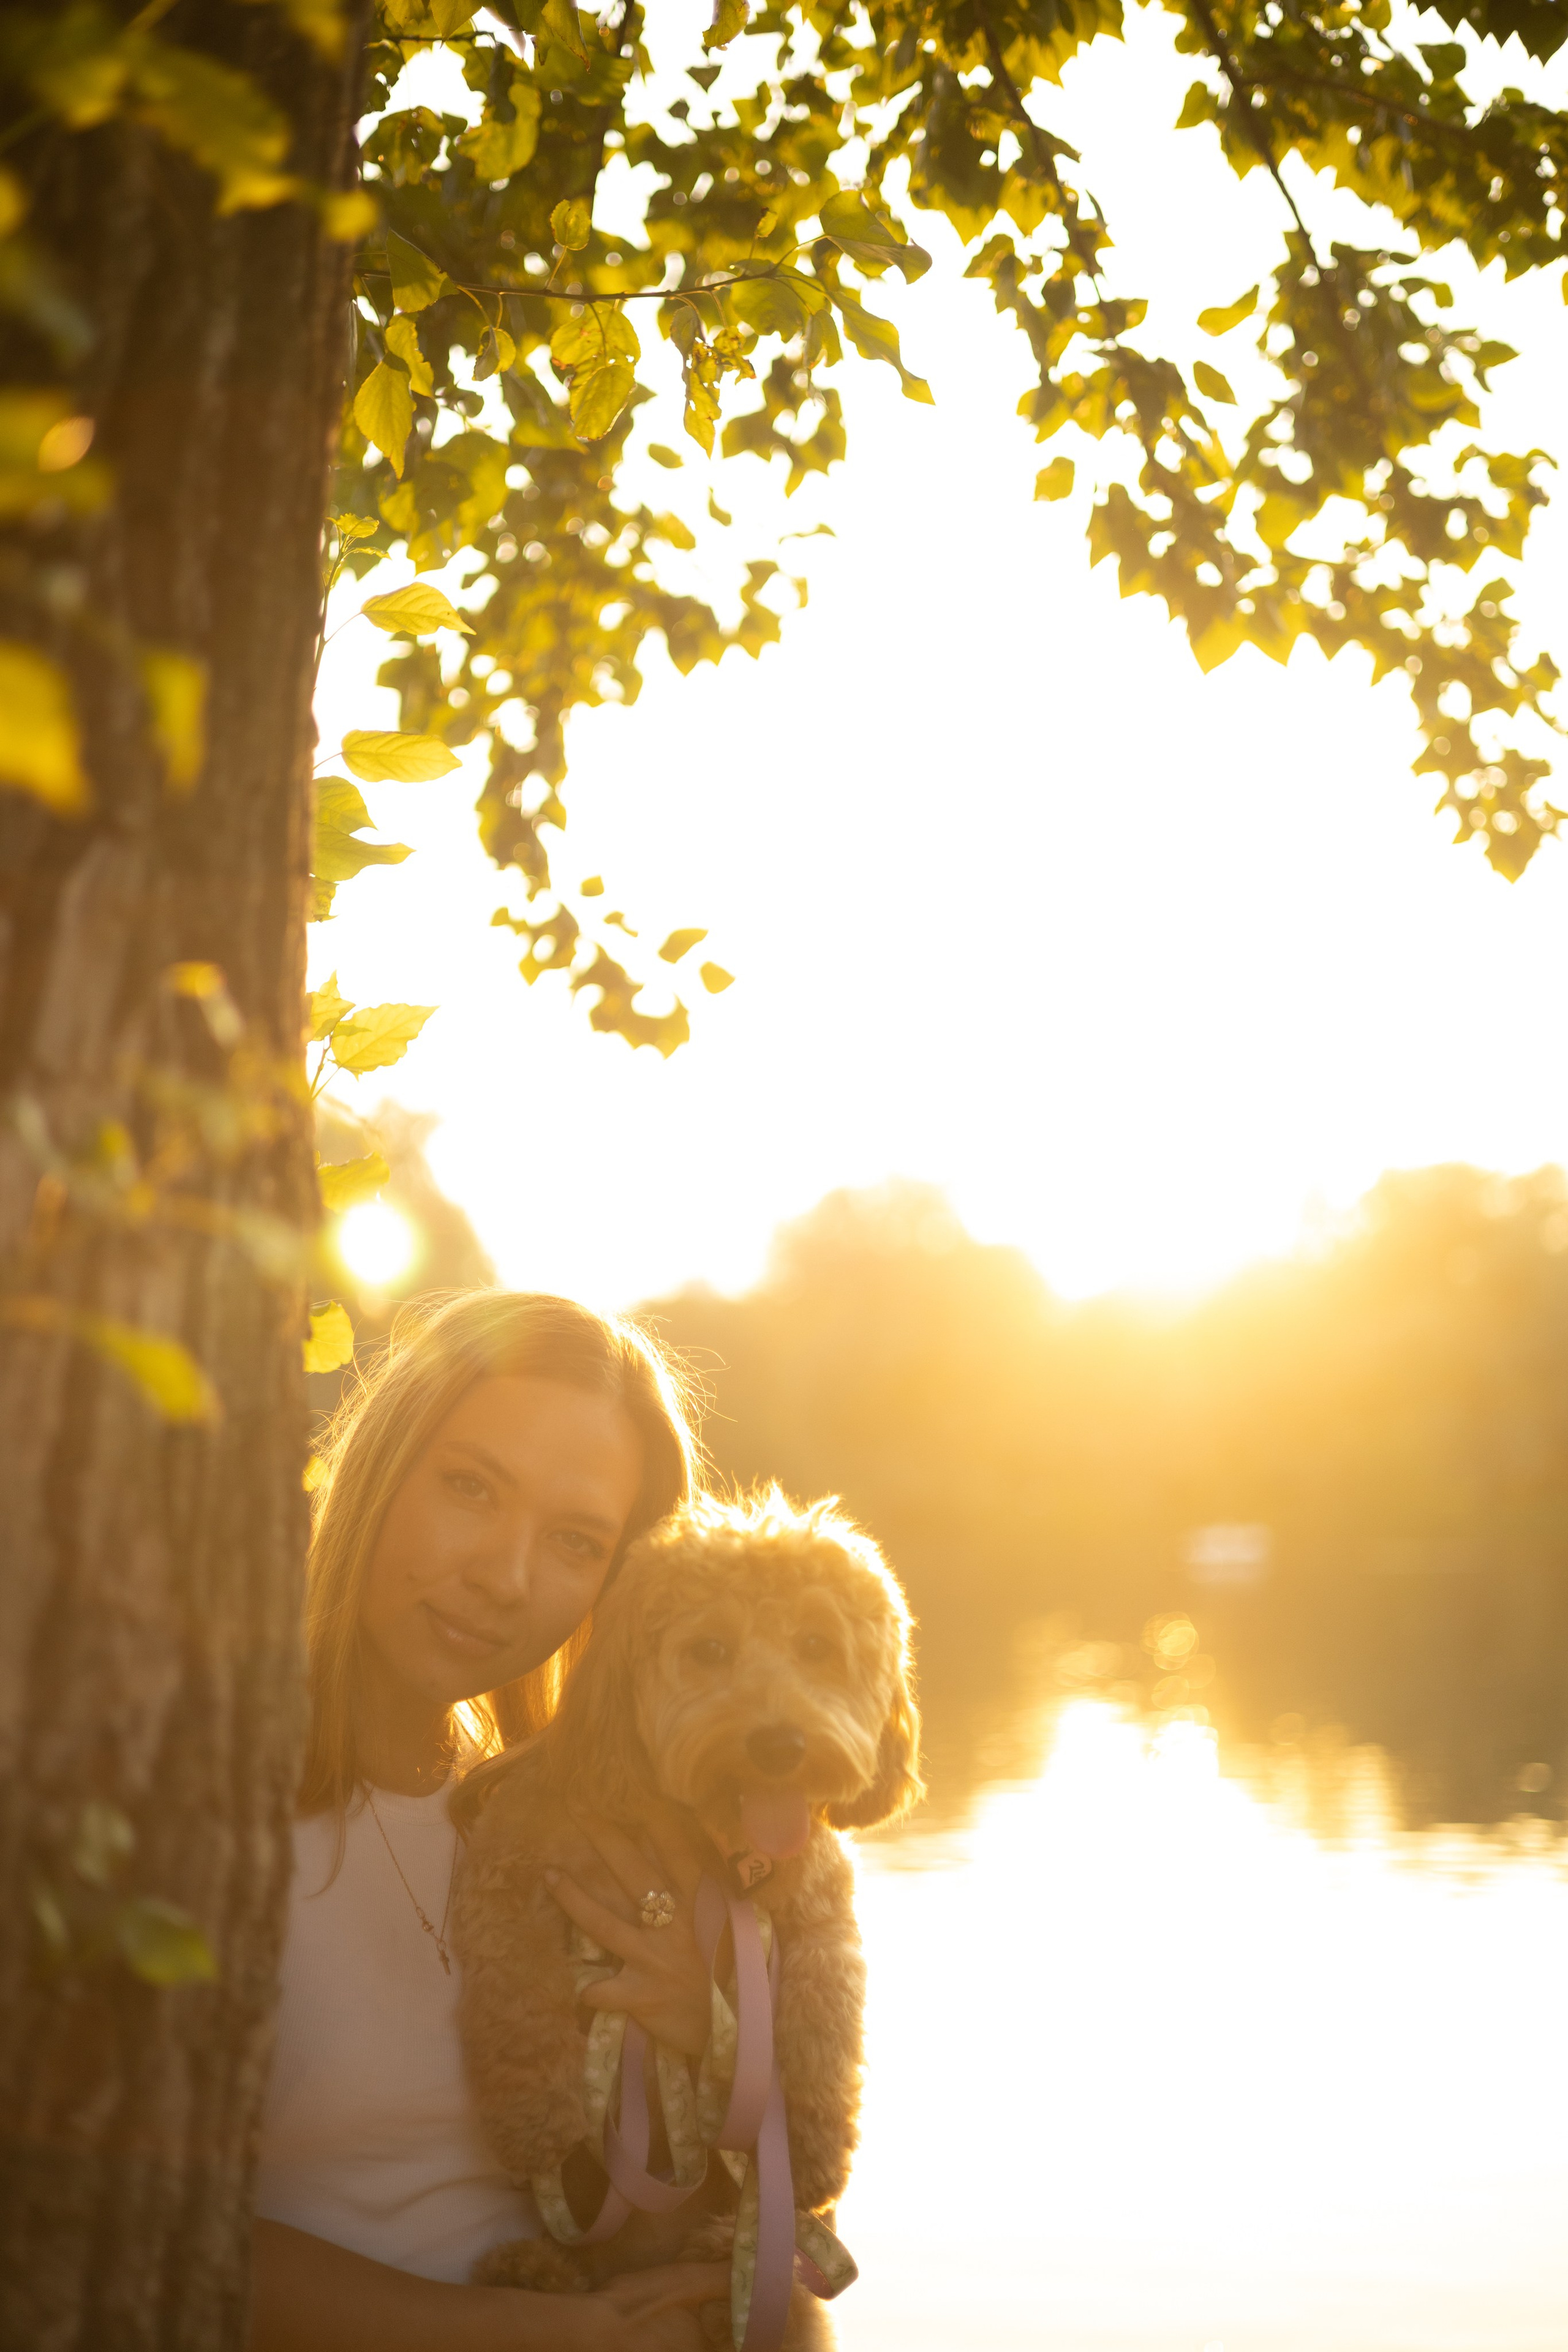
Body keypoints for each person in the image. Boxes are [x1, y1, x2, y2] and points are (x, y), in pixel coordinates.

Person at [250, 1291, 731, 2351]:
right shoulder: (197, 1798)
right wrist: (520, 2331)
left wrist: (710, 2046)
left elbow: (668, 2221)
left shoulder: (575, 1837)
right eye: (471, 1487)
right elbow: (107, 2225)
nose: (504, 1578)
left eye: (575, 1541)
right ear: (385, 1465)